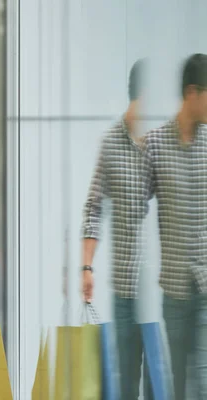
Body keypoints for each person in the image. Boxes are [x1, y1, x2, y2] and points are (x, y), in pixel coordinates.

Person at [80, 59, 153, 399]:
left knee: (166, 380)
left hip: (170, 285)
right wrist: (86, 266)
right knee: (125, 382)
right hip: (126, 285)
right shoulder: (112, 142)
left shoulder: (171, 140)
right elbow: (94, 207)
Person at [145, 53, 207, 399]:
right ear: (193, 93)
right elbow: (134, 203)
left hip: (206, 285)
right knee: (180, 380)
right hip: (174, 287)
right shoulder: (155, 144)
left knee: (202, 377)